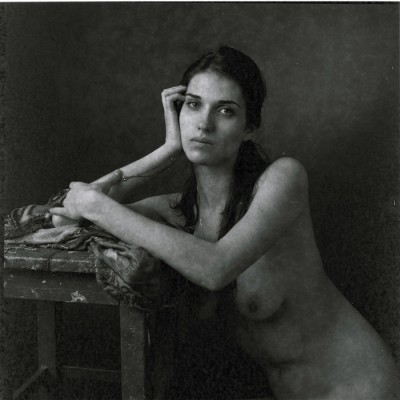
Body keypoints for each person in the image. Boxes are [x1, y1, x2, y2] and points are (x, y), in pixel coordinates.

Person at [50, 46, 399, 400]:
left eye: (226, 110)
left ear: (249, 128)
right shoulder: (178, 211)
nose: (204, 123)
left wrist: (96, 205)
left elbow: (216, 267)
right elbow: (66, 215)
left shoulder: (282, 180)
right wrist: (166, 151)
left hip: (359, 387)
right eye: (193, 105)